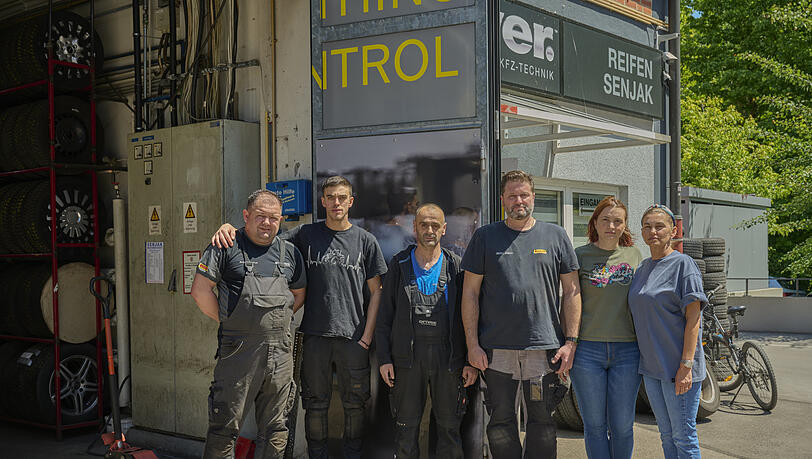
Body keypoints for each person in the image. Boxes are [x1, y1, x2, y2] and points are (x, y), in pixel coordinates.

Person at [211, 176, 387, 459]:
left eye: (342, 197)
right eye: (331, 197)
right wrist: (230, 228)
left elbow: (377, 291)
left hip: (354, 339)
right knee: (314, 406)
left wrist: (367, 337)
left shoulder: (365, 241)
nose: (336, 202)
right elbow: (264, 236)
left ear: (351, 201)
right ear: (323, 201)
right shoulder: (305, 234)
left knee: (355, 405)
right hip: (314, 336)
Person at [461, 170, 581, 458]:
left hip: (543, 349)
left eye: (524, 194)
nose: (519, 201)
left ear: (533, 197)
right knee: (500, 425)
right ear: (502, 199)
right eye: (512, 195)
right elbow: (470, 294)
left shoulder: (555, 236)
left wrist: (571, 342)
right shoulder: (485, 237)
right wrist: (472, 345)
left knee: (542, 425)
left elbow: (572, 291)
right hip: (496, 351)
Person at [191, 190, 307, 458]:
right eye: (260, 216)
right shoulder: (225, 246)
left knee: (276, 429)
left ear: (281, 220)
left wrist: (275, 323)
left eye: (274, 218)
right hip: (238, 352)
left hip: (280, 355)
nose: (267, 223)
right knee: (224, 428)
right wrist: (229, 318)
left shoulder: (290, 252)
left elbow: (298, 294)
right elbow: (200, 291)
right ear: (246, 216)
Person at [375, 203, 478, 458]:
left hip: (448, 359)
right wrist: (385, 359)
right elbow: (384, 317)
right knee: (405, 429)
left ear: (444, 229)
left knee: (449, 429)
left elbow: (470, 317)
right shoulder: (399, 265)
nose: (429, 230)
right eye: (424, 225)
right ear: (414, 228)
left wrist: (469, 360)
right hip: (407, 359)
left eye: (435, 225)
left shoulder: (456, 266)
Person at [628, 204, 708, 459]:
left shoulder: (684, 265)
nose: (653, 231)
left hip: (678, 368)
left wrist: (686, 365)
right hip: (652, 368)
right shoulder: (642, 268)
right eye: (647, 226)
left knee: (683, 437)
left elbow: (694, 319)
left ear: (673, 231)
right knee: (666, 434)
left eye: (659, 226)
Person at [570, 196, 643, 459]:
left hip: (628, 351)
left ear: (624, 225)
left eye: (617, 221)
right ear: (594, 223)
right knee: (594, 426)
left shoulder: (635, 256)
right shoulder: (579, 256)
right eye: (605, 220)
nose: (611, 226)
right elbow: (569, 301)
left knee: (622, 426)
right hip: (587, 351)